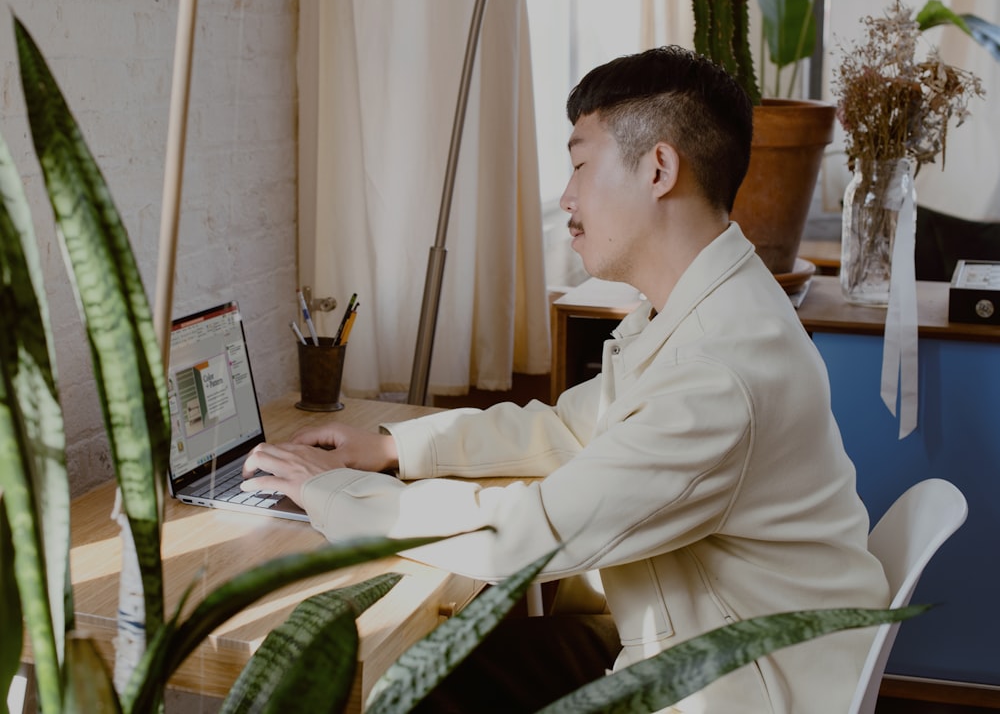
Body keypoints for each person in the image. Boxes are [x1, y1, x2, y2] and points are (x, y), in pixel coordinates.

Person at [244, 46, 890, 713]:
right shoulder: (706, 307)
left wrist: (334, 494)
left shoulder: (720, 372)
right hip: (695, 634)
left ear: (660, 169)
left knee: (403, 689)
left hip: (734, 683)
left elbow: (526, 537)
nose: (567, 196)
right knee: (434, 675)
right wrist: (395, 449)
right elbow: (568, 428)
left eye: (582, 163)